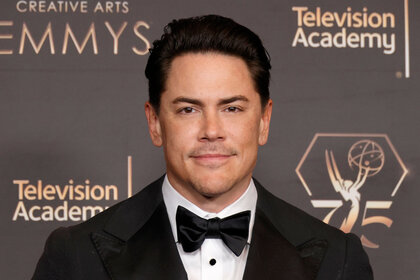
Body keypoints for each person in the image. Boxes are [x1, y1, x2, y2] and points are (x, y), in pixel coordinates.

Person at [32, 15, 373, 280]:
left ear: (264, 120)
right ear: (155, 123)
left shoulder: (336, 258)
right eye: (188, 109)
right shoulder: (75, 256)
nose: (212, 131)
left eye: (232, 108)